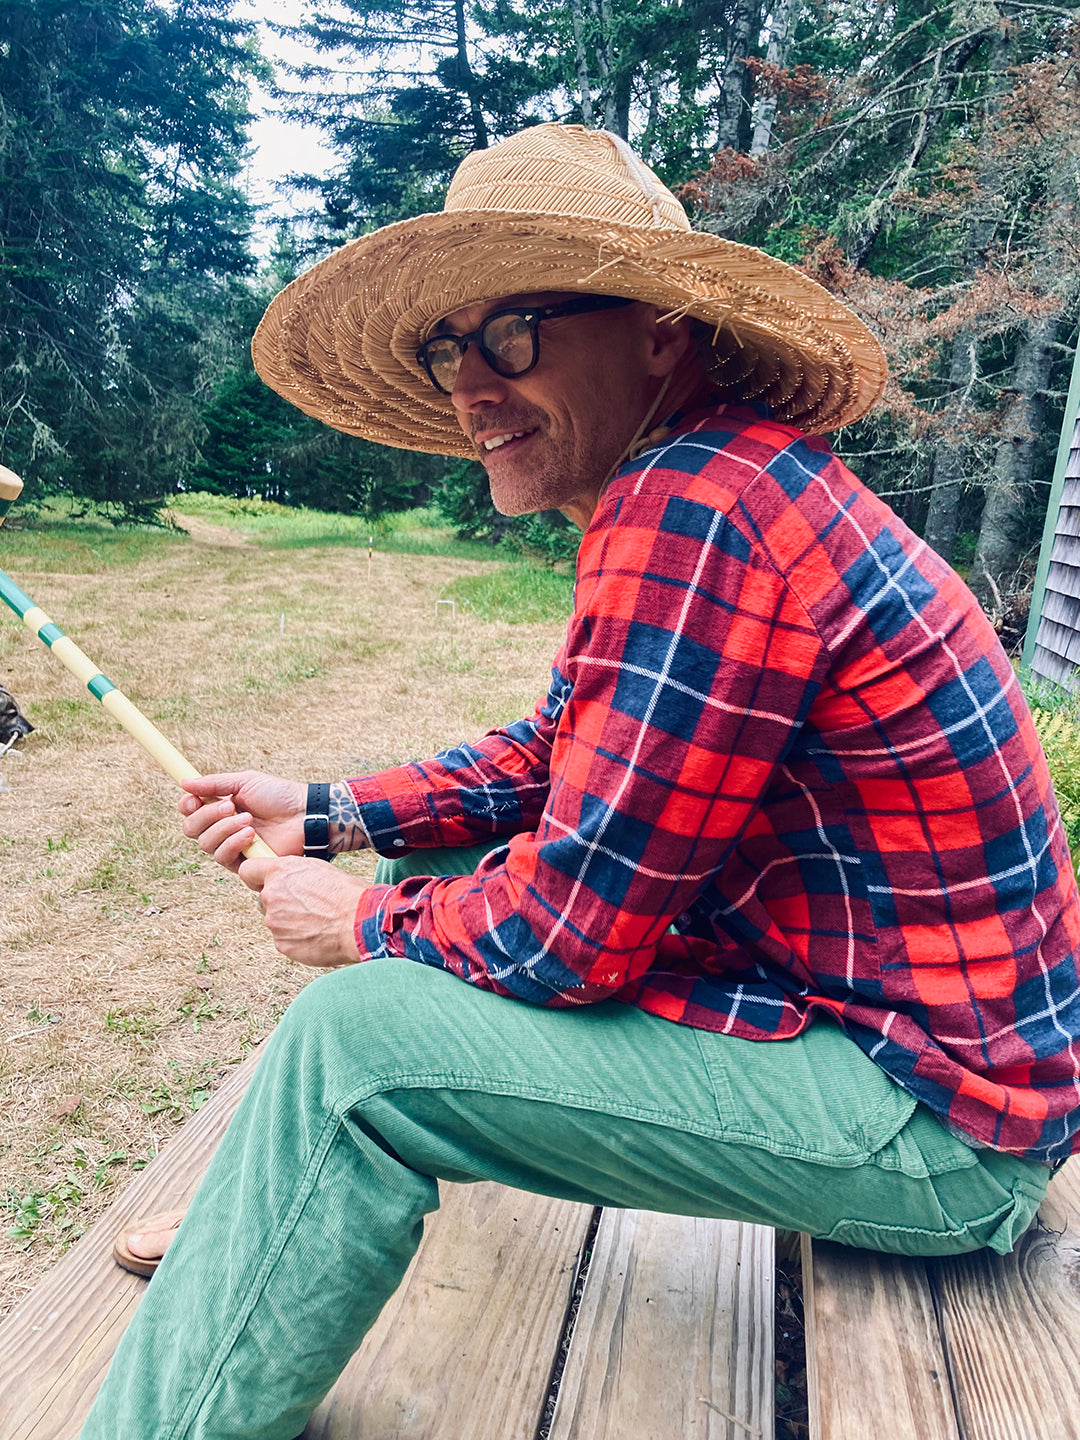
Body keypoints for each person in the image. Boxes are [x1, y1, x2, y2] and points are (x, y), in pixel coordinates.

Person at [82, 124, 1080, 1440]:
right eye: (453, 345)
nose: (474, 387)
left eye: (519, 332)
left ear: (661, 332)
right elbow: (552, 757)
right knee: (436, 872)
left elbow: (570, 941)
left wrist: (352, 925)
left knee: (350, 1046)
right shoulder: (713, 474)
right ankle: (272, 1218)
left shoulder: (696, 508)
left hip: (939, 1126)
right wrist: (322, 809)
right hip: (898, 1043)